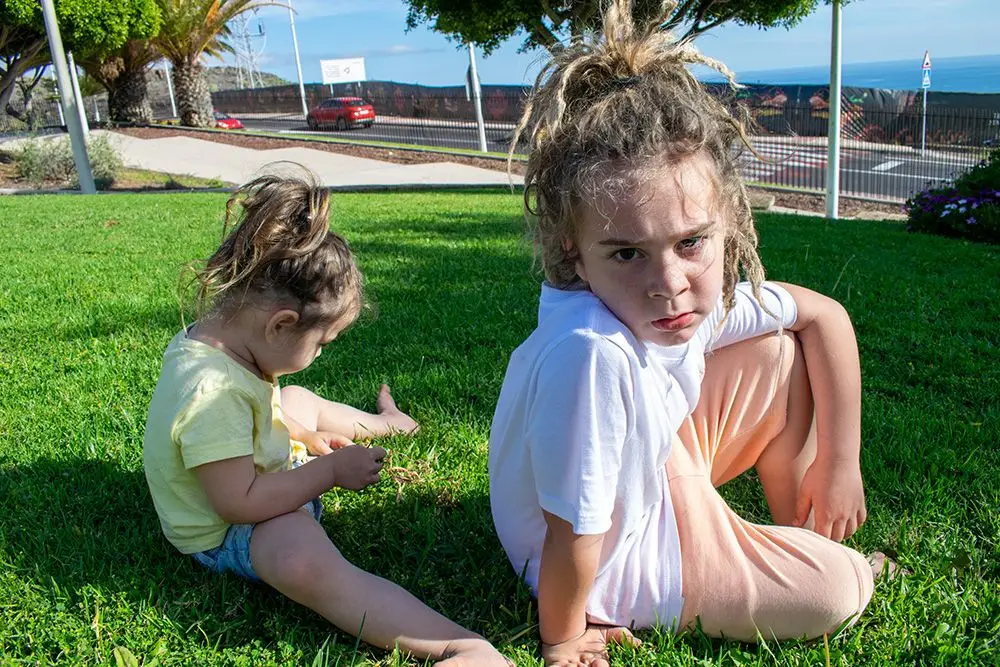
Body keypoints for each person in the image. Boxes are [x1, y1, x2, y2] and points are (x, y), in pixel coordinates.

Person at [489, 2, 888, 664]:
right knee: (838, 589)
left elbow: (826, 317)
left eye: (690, 242)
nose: (668, 282)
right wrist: (563, 638)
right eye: (626, 253)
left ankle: (799, 527)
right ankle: (814, 556)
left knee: (778, 353)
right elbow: (573, 529)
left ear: (726, 221)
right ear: (573, 247)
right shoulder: (592, 354)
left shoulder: (680, 299)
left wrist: (839, 464)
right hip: (623, 555)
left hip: (650, 472)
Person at [143, 171, 510, 667]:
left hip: (256, 473)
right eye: (320, 344)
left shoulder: (217, 342)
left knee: (294, 397)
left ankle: (388, 423)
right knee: (298, 554)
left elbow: (260, 414)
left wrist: (301, 434)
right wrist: (329, 473)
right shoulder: (216, 393)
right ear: (281, 325)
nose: (319, 354)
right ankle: (456, 645)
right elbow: (238, 503)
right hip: (228, 531)